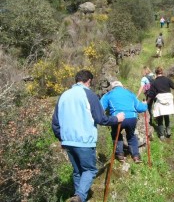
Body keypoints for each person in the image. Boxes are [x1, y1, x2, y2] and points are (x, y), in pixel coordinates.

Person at [52, 70, 125, 202]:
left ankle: (78, 197)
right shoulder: (89, 95)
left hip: (67, 141)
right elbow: (101, 118)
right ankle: (80, 196)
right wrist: (116, 118)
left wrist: (61, 138)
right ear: (89, 81)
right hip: (84, 140)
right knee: (90, 170)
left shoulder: (64, 95)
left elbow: (56, 122)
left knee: (77, 171)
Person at [100, 81, 147, 163]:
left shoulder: (109, 94)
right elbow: (140, 108)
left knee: (116, 135)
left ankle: (120, 155)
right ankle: (136, 156)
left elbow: (100, 108)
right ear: (122, 86)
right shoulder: (130, 93)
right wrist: (145, 104)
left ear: (113, 87)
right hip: (132, 118)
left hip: (118, 118)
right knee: (131, 136)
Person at [147, 66, 174, 141]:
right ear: (162, 72)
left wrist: (147, 102)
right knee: (166, 115)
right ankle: (168, 130)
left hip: (160, 101)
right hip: (168, 101)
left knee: (160, 117)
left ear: (156, 73)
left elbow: (151, 95)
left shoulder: (154, 82)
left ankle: (161, 135)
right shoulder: (167, 79)